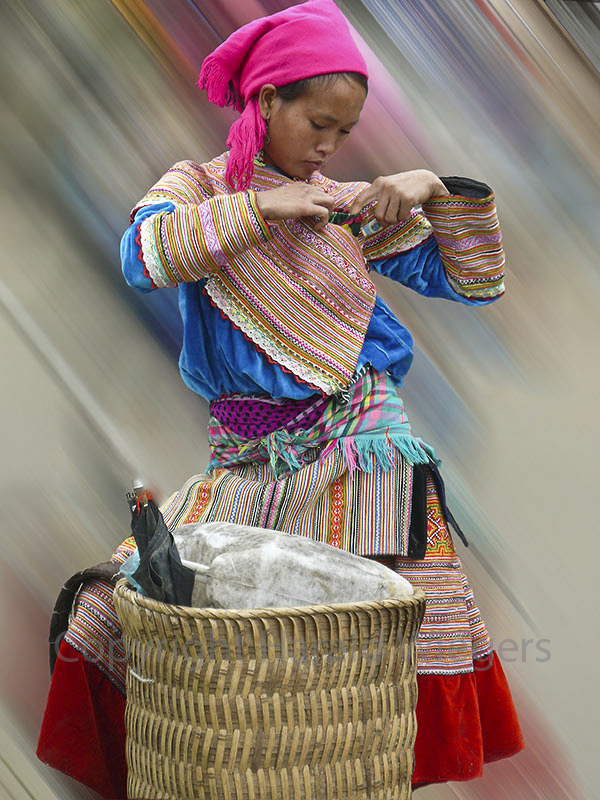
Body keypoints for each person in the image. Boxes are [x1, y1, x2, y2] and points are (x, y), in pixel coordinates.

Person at [37, 0, 524, 795]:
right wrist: (264, 207)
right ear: (267, 101)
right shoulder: (197, 189)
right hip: (246, 462)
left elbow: (477, 281)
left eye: (344, 131)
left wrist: (434, 189)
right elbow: (142, 256)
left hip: (361, 450)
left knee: (371, 644)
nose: (329, 147)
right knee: (128, 610)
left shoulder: (347, 209)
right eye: (317, 125)